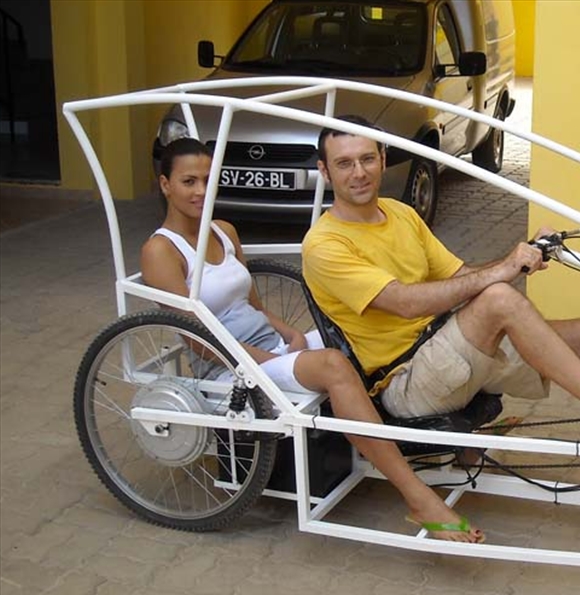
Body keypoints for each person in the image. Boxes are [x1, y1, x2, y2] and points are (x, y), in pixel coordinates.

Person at [301, 117, 580, 488]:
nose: (359, 172)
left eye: (367, 158)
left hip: (447, 351)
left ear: (383, 159)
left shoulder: (400, 213)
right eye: (344, 163)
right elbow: (405, 303)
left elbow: (462, 276)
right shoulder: (324, 244)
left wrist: (524, 254)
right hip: (407, 382)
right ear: (324, 171)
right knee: (498, 299)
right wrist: (505, 270)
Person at [140, 137, 485, 543]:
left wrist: (288, 333)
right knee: (334, 365)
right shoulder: (161, 250)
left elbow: (252, 305)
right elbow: (199, 339)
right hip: (227, 366)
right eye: (189, 182)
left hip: (266, 349)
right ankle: (417, 496)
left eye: (208, 179)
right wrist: (271, 356)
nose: (201, 190)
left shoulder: (223, 231)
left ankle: (438, 433)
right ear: (165, 185)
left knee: (355, 333)